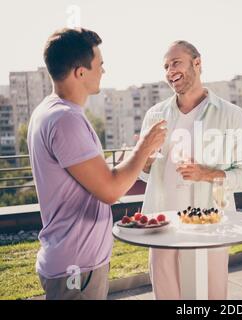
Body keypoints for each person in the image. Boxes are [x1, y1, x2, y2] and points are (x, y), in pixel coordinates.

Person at [27, 28, 166, 300]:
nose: (104, 71)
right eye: (100, 65)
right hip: (76, 268)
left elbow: (96, 176)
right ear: (81, 72)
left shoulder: (50, 111)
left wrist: (135, 158)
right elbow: (110, 189)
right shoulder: (65, 120)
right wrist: (144, 147)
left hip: (74, 263)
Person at [139, 40, 242, 300]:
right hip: (164, 229)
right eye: (166, 66)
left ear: (197, 63)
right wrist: (143, 160)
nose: (170, 71)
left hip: (211, 227)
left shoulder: (232, 115)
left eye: (176, 62)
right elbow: (145, 173)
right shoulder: (154, 115)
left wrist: (206, 174)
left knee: (210, 297)